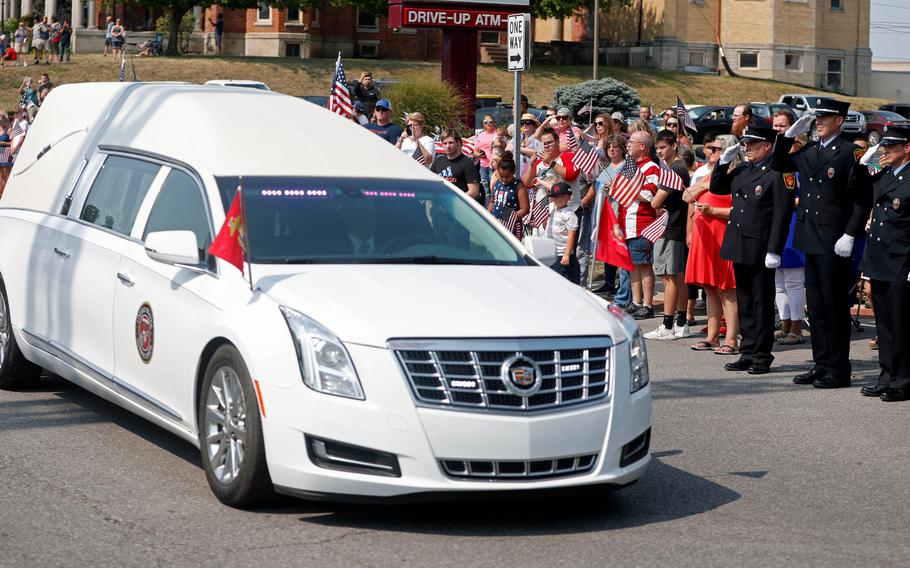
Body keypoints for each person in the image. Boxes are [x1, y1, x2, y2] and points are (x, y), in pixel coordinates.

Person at [772, 97, 873, 389]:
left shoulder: (850, 153)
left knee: (834, 305)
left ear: (839, 120)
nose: (819, 122)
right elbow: (779, 163)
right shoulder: (811, 149)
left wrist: (851, 234)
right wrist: (788, 136)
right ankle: (821, 363)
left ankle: (839, 369)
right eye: (817, 118)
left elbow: (861, 199)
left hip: (834, 238)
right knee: (815, 306)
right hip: (810, 236)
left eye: (825, 117)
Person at [711, 126, 795, 375]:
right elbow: (718, 188)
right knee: (746, 300)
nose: (747, 148)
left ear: (767, 146)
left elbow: (782, 214)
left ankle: (761, 354)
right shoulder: (744, 169)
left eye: (753, 144)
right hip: (740, 243)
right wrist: (722, 163)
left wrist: (774, 249)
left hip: (761, 246)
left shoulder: (778, 172)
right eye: (746, 144)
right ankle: (747, 351)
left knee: (761, 302)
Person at [857, 125, 910, 401]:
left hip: (902, 262)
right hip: (879, 259)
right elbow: (856, 186)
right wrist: (865, 161)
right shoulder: (886, 176)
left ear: (907, 149)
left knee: (902, 324)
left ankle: (903, 380)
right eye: (884, 147)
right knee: (885, 325)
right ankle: (887, 375)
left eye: (891, 147)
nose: (885, 151)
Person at [684, 133, 739, 353]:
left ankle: (732, 339)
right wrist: (706, 184)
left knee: (727, 289)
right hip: (704, 237)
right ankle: (712, 336)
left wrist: (714, 210)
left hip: (724, 234)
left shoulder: (736, 175)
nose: (710, 152)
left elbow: (741, 210)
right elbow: (687, 197)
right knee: (709, 288)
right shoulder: (710, 175)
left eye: (715, 149)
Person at [644, 129, 692, 339]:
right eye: (657, 148)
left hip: (671, 227)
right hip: (676, 226)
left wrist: (652, 198)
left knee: (668, 278)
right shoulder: (678, 167)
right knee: (678, 277)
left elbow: (655, 202)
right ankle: (681, 322)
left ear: (674, 145)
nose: (660, 151)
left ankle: (667, 325)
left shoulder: (674, 170)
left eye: (663, 147)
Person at [769, 108, 807, 345]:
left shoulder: (802, 157)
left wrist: (788, 201)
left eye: (782, 126)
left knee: (794, 280)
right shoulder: (774, 156)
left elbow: (811, 193)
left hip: (794, 223)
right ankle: (784, 325)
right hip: (775, 223)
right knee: (778, 280)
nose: (778, 131)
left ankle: (796, 327)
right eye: (775, 126)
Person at [622, 130, 661, 319]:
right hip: (627, 224)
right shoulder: (630, 166)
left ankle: (647, 304)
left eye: (632, 141)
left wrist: (626, 189)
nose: (628, 144)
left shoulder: (650, 167)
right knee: (632, 265)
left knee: (644, 265)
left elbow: (649, 195)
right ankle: (636, 302)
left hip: (642, 223)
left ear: (643, 146)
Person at [594, 134, 629, 299]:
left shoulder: (626, 166)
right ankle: (609, 282)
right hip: (605, 212)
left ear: (622, 149)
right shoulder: (606, 168)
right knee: (608, 247)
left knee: (620, 248)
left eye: (615, 147)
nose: (612, 150)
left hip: (620, 212)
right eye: (609, 147)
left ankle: (622, 286)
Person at [487, 151, 529, 240]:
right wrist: (488, 214)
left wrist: (507, 218)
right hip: (496, 223)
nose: (504, 179)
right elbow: (492, 201)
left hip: (512, 226)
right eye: (502, 176)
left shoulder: (519, 186)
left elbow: (525, 209)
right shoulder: (497, 183)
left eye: (507, 176)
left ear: (513, 172)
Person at [431, 128, 481, 201]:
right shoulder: (438, 161)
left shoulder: (467, 163)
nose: (448, 146)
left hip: (457, 207)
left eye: (451, 143)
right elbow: (431, 185)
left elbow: (474, 191)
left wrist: (454, 201)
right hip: (438, 205)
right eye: (445, 143)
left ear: (458, 143)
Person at [544, 182, 580, 283]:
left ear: (569, 197)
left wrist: (567, 254)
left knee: (563, 280)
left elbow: (571, 236)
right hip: (551, 252)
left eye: (562, 196)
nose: (559, 199)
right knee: (552, 280)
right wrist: (540, 181)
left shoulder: (570, 215)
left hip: (562, 254)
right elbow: (552, 188)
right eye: (556, 197)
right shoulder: (552, 209)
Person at [505, 112, 542, 177]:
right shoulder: (518, 135)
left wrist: (519, 149)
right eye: (522, 123)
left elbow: (540, 152)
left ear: (534, 124)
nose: (524, 125)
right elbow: (507, 149)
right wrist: (526, 150)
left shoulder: (539, 136)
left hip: (532, 170)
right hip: (517, 170)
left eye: (528, 122)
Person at [474, 114, 498, 202]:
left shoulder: (497, 134)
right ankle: (488, 209)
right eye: (486, 122)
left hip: (494, 165)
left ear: (494, 123)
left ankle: (494, 209)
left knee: (494, 188)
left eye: (491, 121)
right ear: (483, 124)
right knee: (486, 188)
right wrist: (480, 155)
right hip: (483, 165)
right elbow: (475, 151)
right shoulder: (480, 135)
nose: (488, 123)